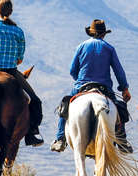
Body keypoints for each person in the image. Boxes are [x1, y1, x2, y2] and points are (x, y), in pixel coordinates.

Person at [51, 19, 133, 153]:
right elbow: (119, 71)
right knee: (119, 108)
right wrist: (124, 88)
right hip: (103, 88)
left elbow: (73, 70)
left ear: (91, 33)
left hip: (81, 85)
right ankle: (122, 141)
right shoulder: (109, 48)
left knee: (64, 106)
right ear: (104, 34)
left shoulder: (81, 46)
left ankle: (60, 139)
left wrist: (80, 81)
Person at [0, 0, 43, 146]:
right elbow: (19, 60)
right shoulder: (18, 31)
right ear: (11, 12)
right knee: (35, 100)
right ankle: (32, 132)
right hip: (10, 71)